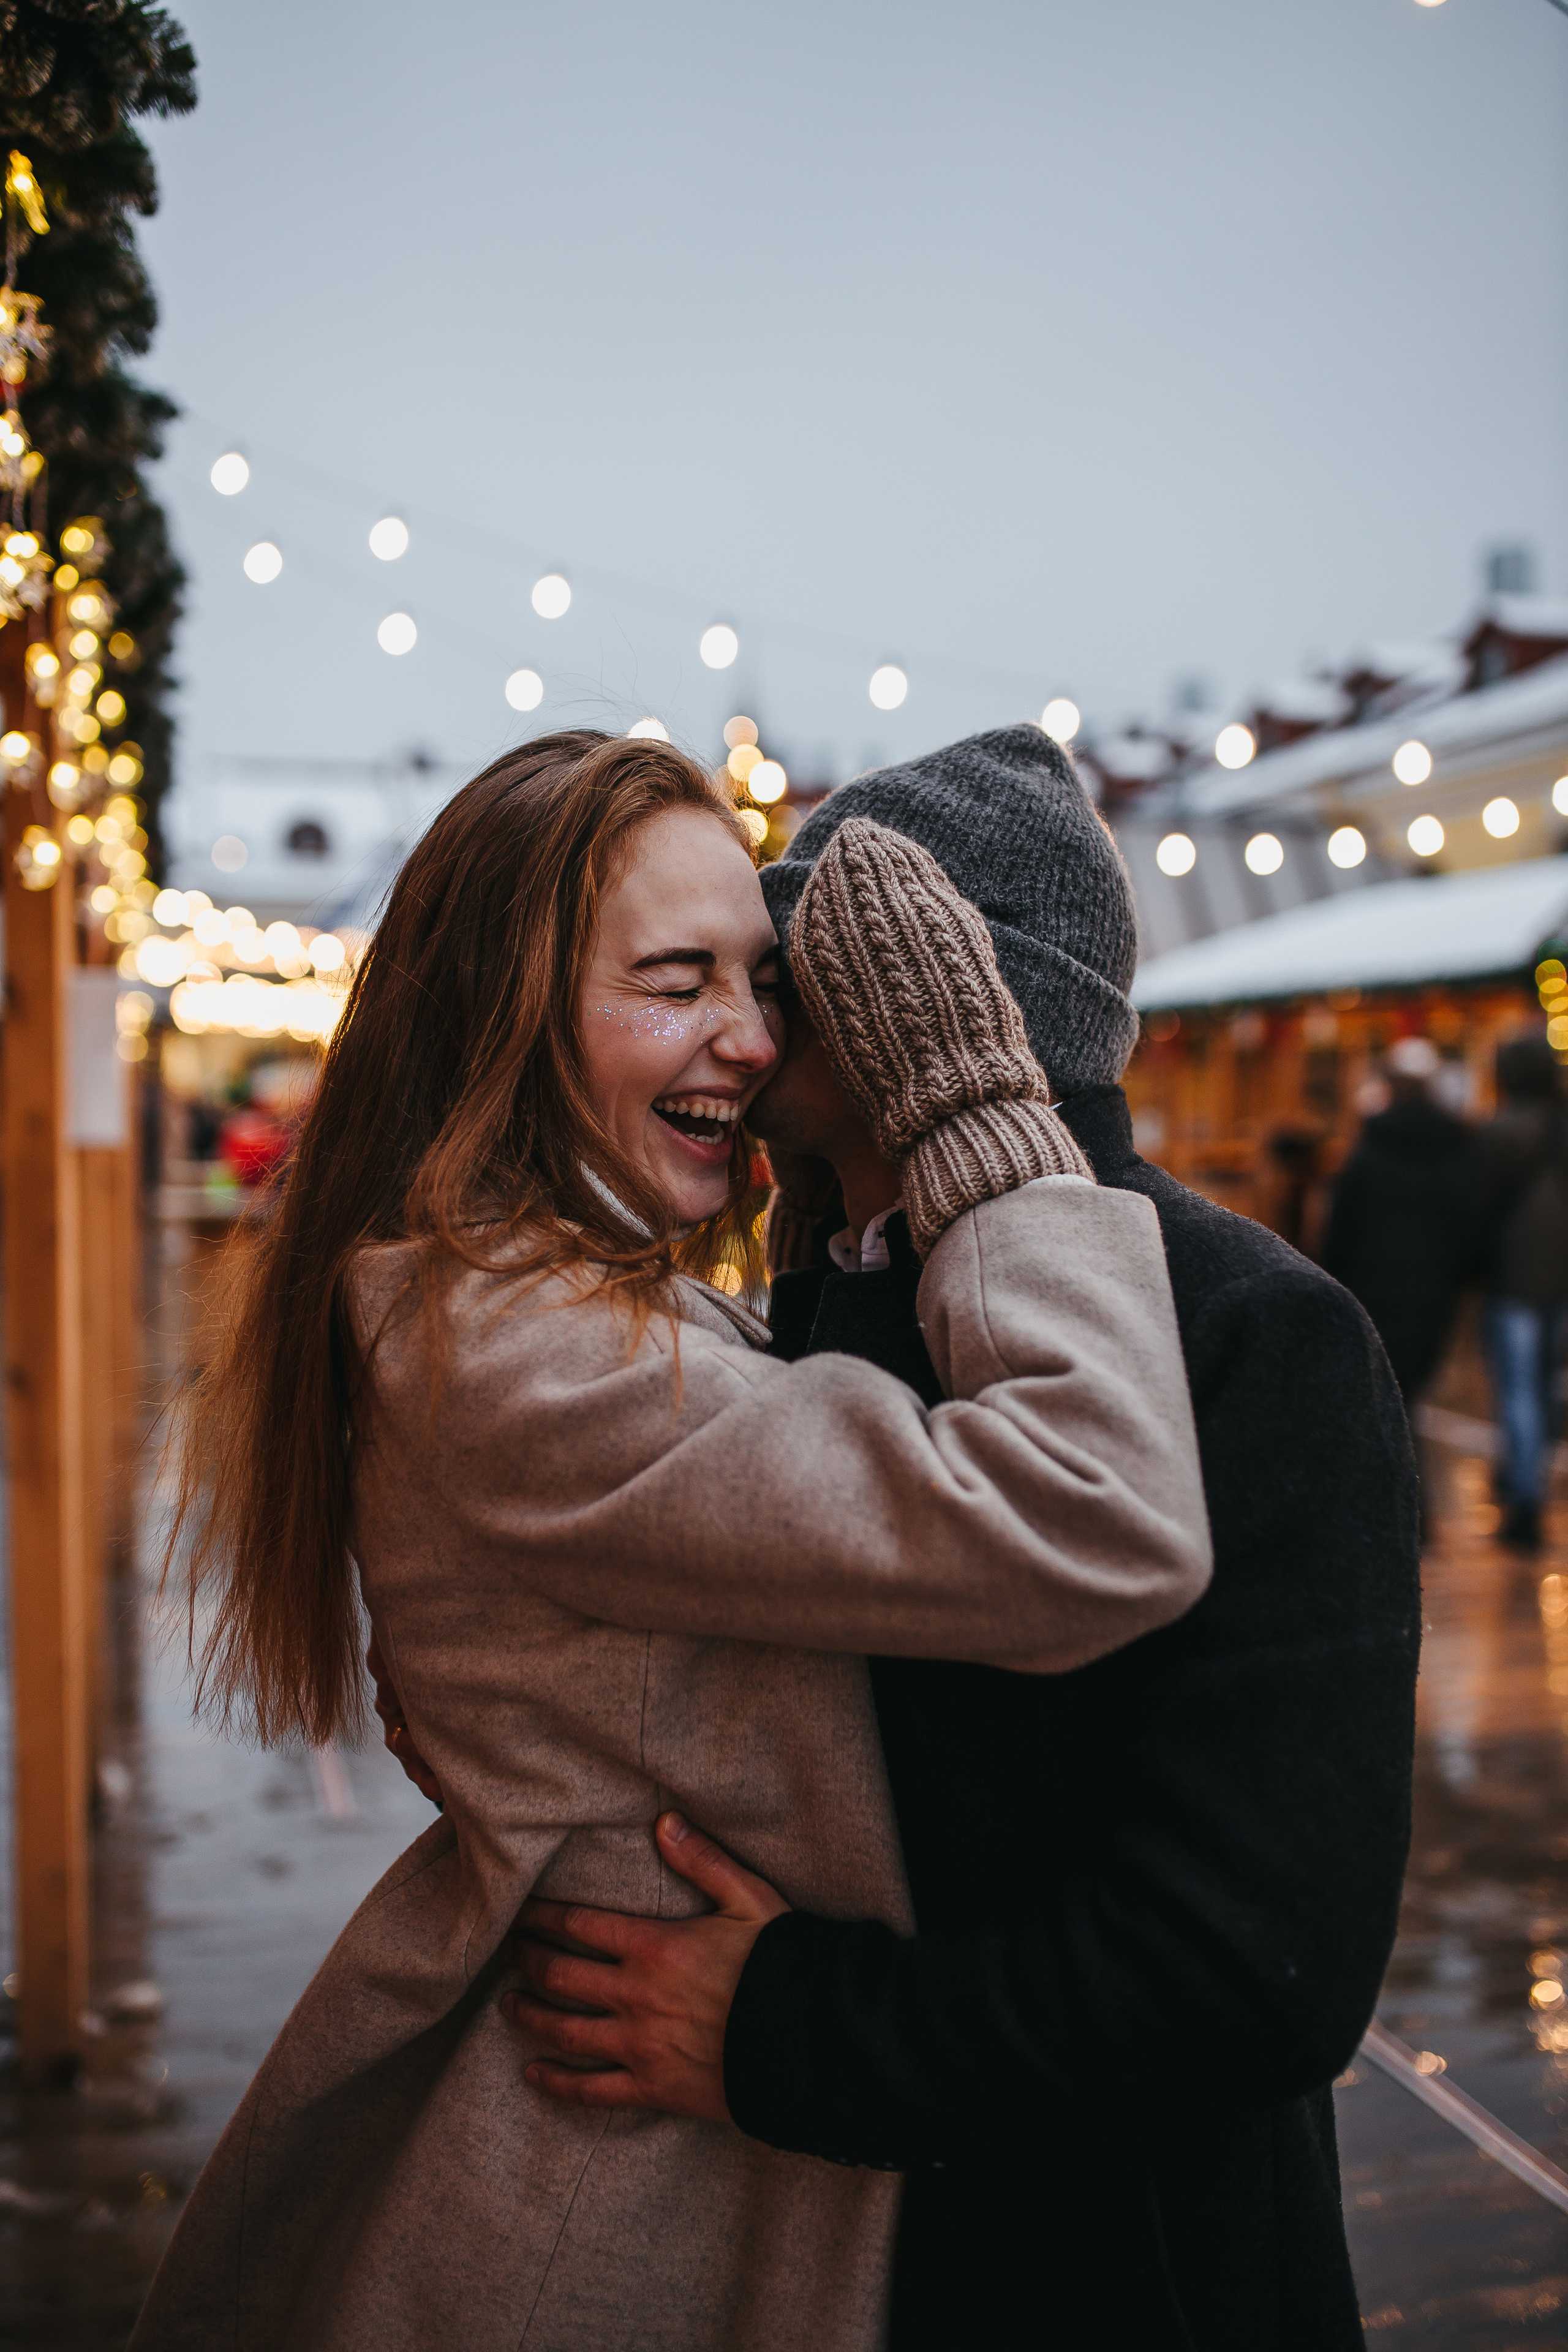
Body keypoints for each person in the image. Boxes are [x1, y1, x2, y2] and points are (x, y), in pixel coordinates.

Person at [130, 730, 1211, 2352]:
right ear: (509, 1018)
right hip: (603, 2215)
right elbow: (1102, 1517)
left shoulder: (525, 1306)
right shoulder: (526, 1352)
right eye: (677, 979)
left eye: (765, 982)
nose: (753, 1039)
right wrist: (978, 1116)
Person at [478, 725, 1422, 2352]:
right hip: (822, 2252)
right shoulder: (829, 1284)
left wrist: (785, 2030)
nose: (748, 1017)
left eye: (793, 958)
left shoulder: (1261, 1338)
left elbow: (1258, 1966)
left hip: (1126, 2275)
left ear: (935, 989)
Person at [1321, 1035, 1477, 1410]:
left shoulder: (1369, 1150)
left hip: (1371, 1287)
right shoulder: (1454, 1150)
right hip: (1432, 1290)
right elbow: (1467, 1225)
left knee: (1376, 1389)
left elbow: (1341, 1228)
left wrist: (1331, 1278)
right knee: (1412, 1392)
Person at [1475, 1030, 1568, 1550]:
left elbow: (1480, 1204)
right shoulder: (1560, 1125)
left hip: (1515, 1276)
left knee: (1517, 1390)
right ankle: (1527, 1475)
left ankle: (1525, 1495)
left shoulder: (1503, 1132)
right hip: (1561, 1275)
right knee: (1544, 1386)